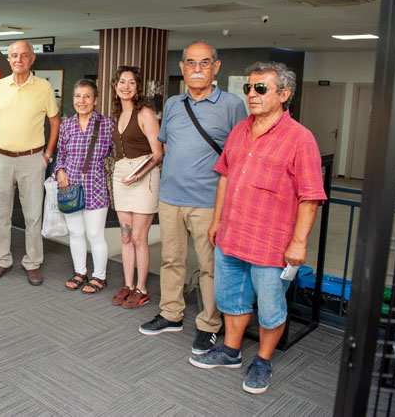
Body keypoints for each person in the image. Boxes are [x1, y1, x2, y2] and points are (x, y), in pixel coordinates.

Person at [189, 62, 326, 394]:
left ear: (284, 94)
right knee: (231, 298)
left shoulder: (301, 139)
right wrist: (217, 221)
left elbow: (310, 197)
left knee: (270, 307)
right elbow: (225, 176)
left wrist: (299, 242)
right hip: (232, 235)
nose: (252, 94)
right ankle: (230, 352)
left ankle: (263, 360)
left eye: (260, 88)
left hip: (271, 243)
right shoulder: (240, 130)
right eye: (248, 88)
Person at [139, 40, 247, 356]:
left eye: (204, 62)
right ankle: (171, 314)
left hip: (208, 202)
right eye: (191, 62)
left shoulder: (232, 106)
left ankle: (209, 325)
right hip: (171, 198)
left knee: (209, 266)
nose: (197, 69)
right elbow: (166, 146)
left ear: (216, 66)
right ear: (182, 67)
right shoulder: (174, 104)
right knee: (171, 260)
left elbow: (239, 157)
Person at [0, 40, 60, 285]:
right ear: (8, 59)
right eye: (14, 55)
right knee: (1, 214)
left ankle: (33, 262)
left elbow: (55, 122)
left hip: (32, 159)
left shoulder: (44, 88)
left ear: (32, 59)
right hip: (1, 159)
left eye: (24, 55)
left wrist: (47, 155)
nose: (19, 59)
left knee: (33, 215)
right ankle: (2, 259)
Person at [108, 66, 162, 308]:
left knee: (139, 237)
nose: (126, 86)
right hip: (122, 175)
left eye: (131, 82)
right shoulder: (118, 113)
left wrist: (137, 175)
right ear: (115, 86)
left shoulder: (145, 114)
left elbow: (158, 154)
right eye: (122, 82)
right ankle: (128, 285)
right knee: (126, 236)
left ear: (138, 87)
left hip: (143, 176)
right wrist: (125, 175)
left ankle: (142, 289)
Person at [54, 80, 114, 293]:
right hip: (70, 188)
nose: (82, 101)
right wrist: (59, 170)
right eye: (78, 96)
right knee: (76, 233)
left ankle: (99, 276)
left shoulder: (107, 124)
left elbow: (115, 155)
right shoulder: (67, 125)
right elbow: (60, 155)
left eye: (87, 96)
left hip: (96, 187)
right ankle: (80, 272)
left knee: (95, 234)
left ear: (95, 100)